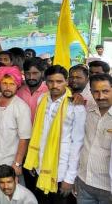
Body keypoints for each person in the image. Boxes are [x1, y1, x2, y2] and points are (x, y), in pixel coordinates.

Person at [24, 65, 86, 204]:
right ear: (46, 82)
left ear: (67, 81)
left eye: (59, 81)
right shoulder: (42, 99)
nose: (54, 85)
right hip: (40, 166)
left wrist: (69, 179)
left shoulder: (76, 106)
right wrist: (34, 161)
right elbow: (38, 133)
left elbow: (77, 144)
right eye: (51, 81)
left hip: (61, 172)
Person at [76, 74, 112, 203]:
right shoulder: (87, 112)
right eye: (96, 92)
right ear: (90, 92)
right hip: (84, 183)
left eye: (105, 91)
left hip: (108, 189)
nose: (101, 96)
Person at [17, 57, 48, 122]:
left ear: (42, 73)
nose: (31, 77)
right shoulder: (19, 92)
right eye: (27, 73)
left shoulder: (48, 92)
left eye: (35, 73)